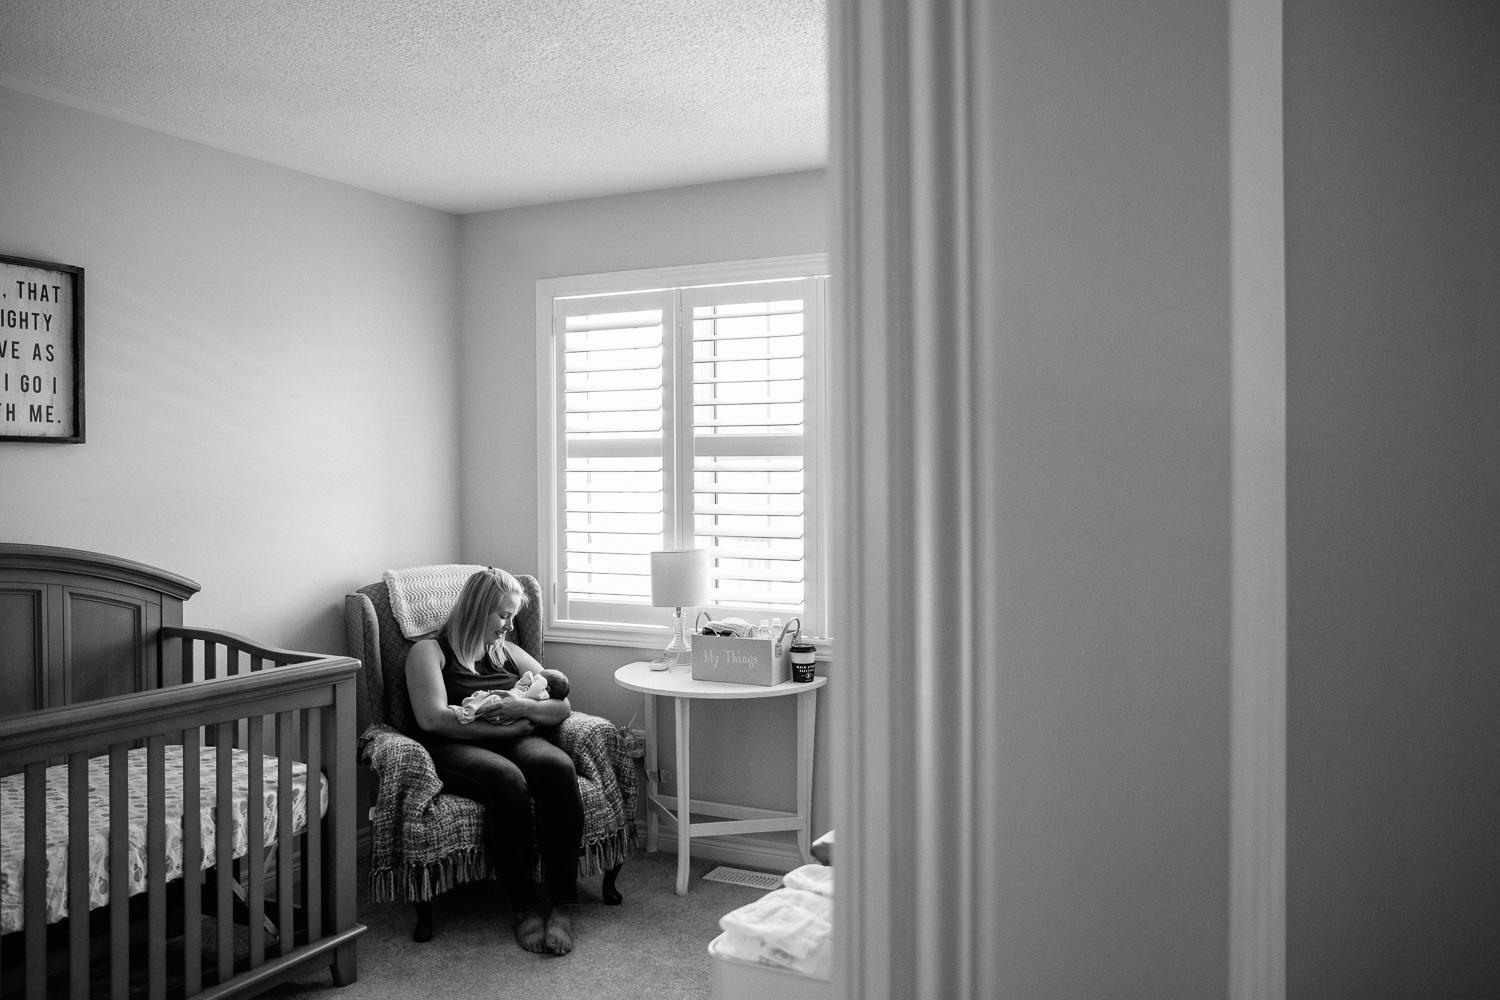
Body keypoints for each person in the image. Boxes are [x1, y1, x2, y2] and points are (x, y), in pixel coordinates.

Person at [404, 568, 584, 955]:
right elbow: (432, 718)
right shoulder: (429, 652)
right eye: (504, 615)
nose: (509, 625)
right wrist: (506, 731)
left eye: (514, 616)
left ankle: (565, 904)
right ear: (477, 608)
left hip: (515, 736)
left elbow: (562, 706)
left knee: (557, 767)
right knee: (505, 779)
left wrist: (521, 706)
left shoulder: (508, 652)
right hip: (453, 747)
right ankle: (525, 908)